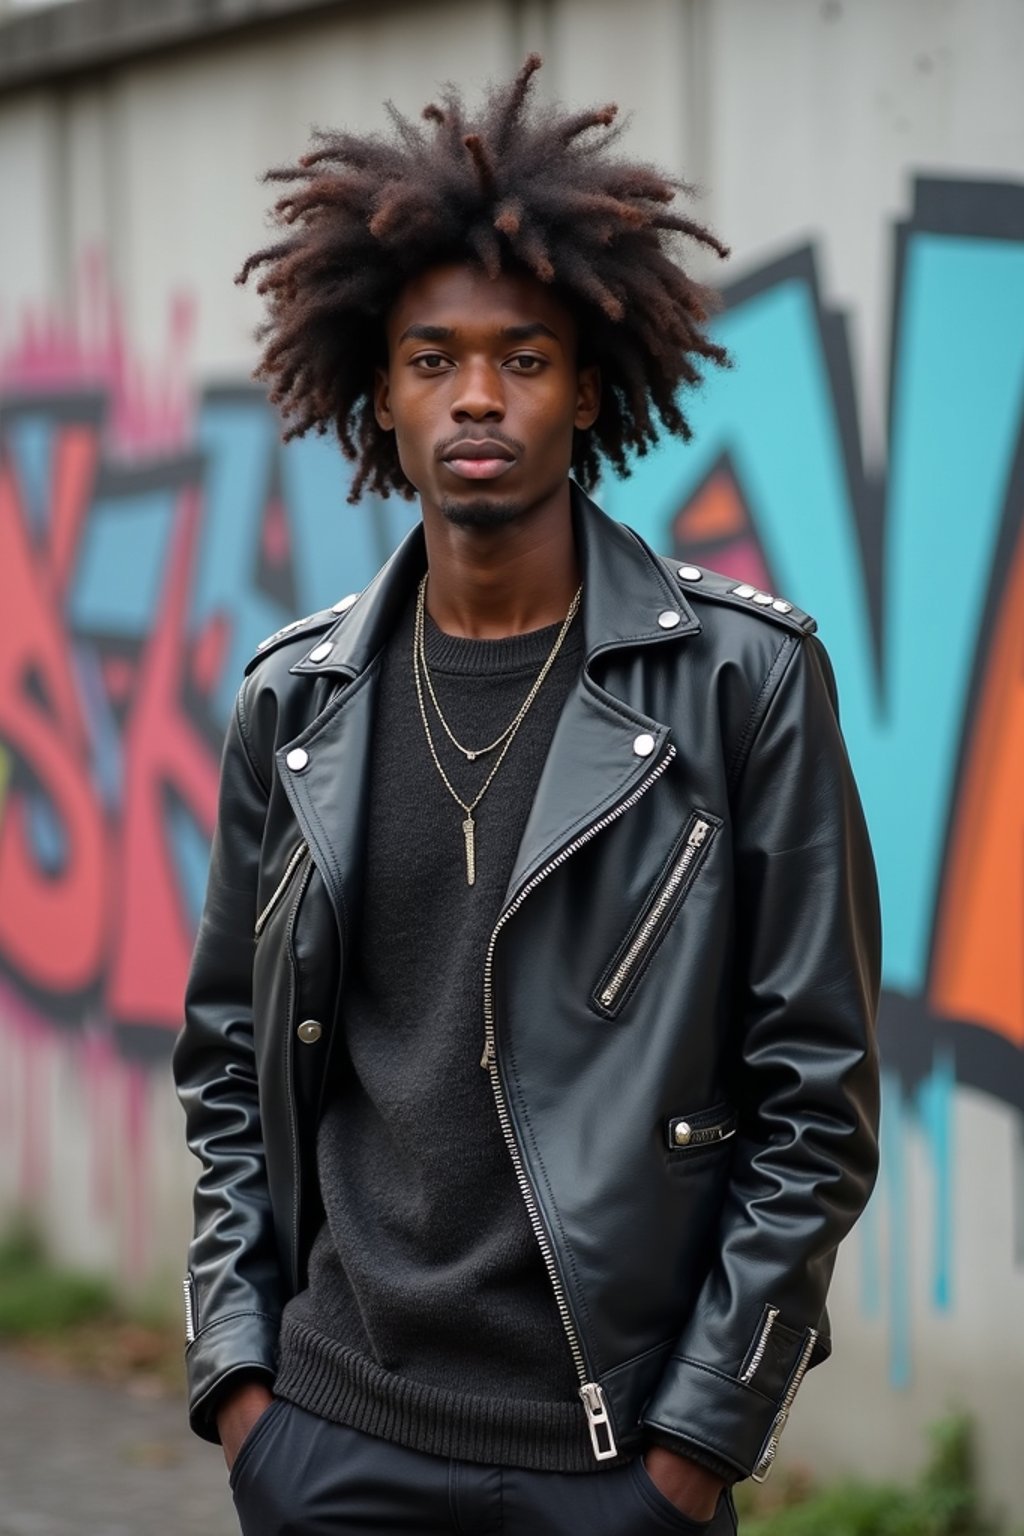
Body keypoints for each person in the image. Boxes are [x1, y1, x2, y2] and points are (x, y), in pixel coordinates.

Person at [172, 55, 881, 1535]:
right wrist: (242, 1385)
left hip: (614, 1459)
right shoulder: (296, 702)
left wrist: (703, 1435)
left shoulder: (742, 685)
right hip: (330, 1436)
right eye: (433, 358)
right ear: (378, 390)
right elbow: (229, 1065)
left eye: (525, 356)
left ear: (590, 389)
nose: (477, 395)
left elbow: (813, 1095)